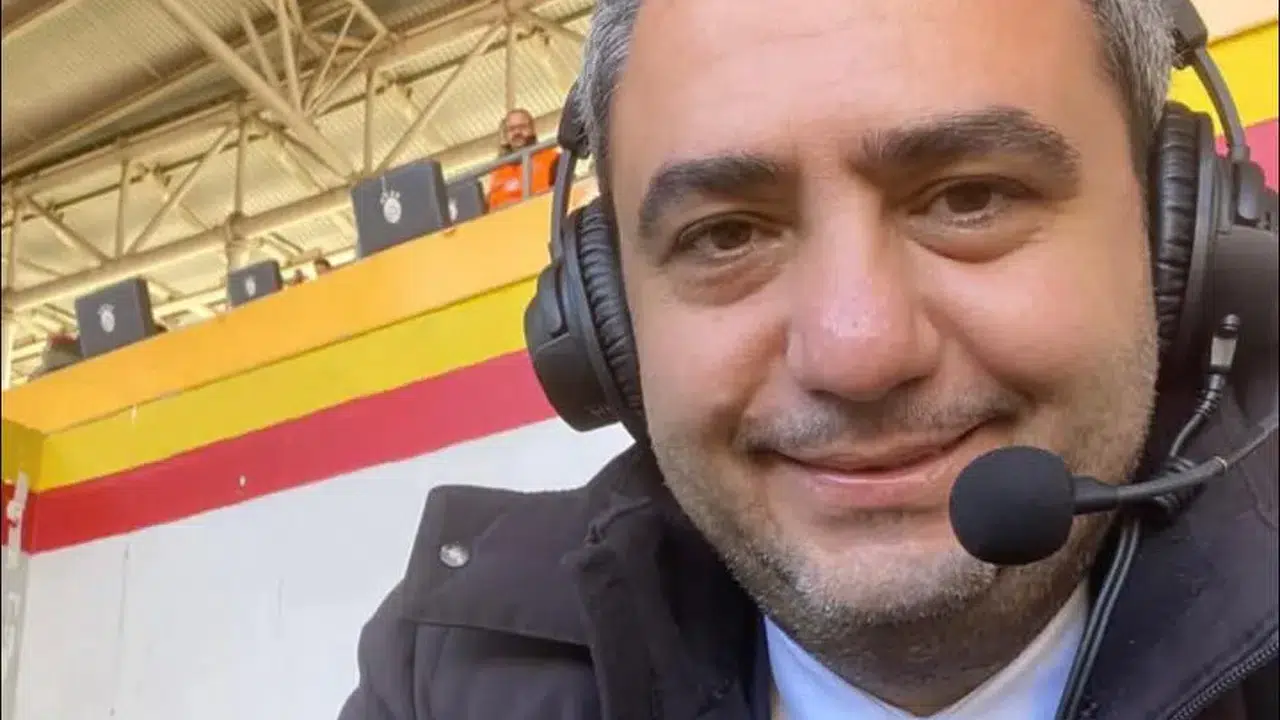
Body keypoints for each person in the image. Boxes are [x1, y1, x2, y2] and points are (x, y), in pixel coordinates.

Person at [340, 1, 1278, 718]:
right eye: (727, 234)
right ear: (604, 319)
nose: (856, 353)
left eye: (969, 199)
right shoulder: (450, 678)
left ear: (1178, 233)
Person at [486, 108, 560, 211]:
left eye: (522, 127)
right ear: (506, 135)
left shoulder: (552, 158)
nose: (517, 132)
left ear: (532, 130)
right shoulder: (497, 170)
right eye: (511, 129)